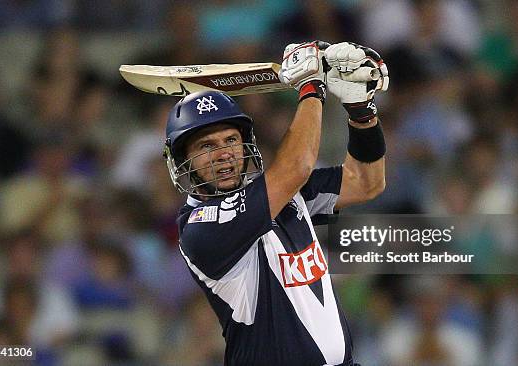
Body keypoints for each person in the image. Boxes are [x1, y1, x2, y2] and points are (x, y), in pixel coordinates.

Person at [163, 41, 388, 366]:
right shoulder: (200, 228)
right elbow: (297, 167)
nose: (224, 153)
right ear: (182, 161)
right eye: (206, 146)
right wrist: (312, 86)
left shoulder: (284, 195)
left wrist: (360, 109)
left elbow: (367, 182)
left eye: (231, 140)